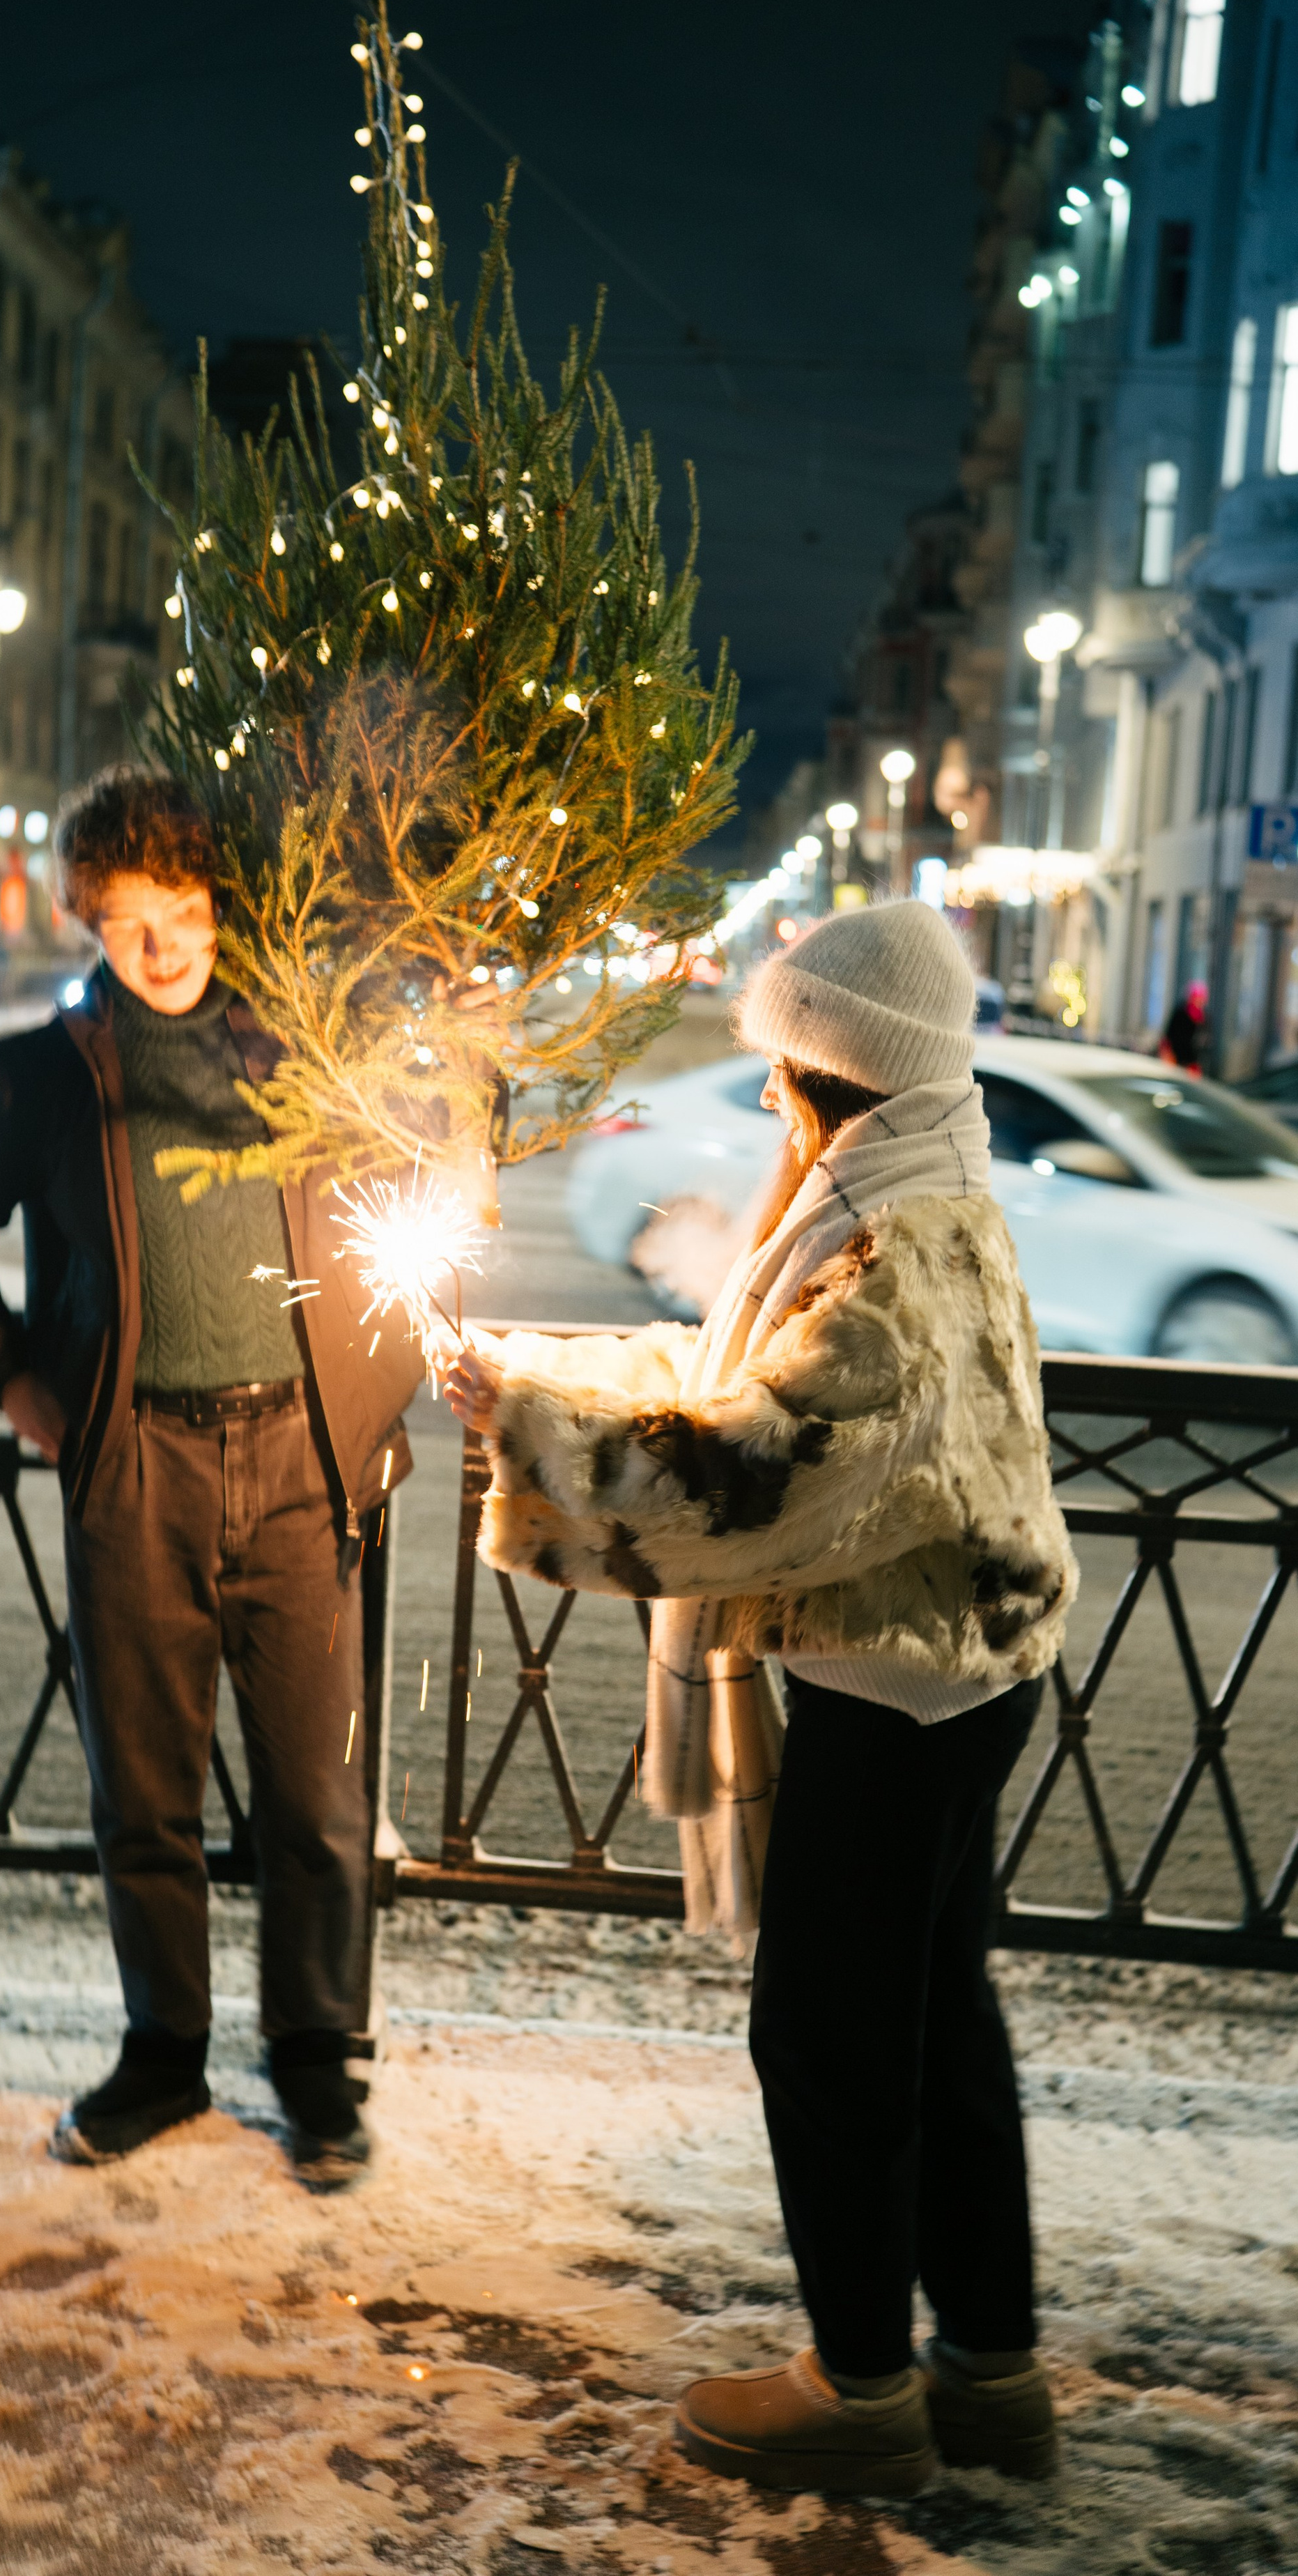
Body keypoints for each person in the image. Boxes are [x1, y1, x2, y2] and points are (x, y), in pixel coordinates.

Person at [439, 900, 1076, 2498]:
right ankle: (986, 2375)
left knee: (829, 2034)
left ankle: (861, 2387)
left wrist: (525, 1423)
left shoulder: (887, 1236)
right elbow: (741, 1379)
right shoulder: (907, 1187)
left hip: (899, 1683)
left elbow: (761, 1466)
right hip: (947, 1668)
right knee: (933, 2025)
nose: (772, 1088)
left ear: (832, 1063)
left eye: (787, 1055)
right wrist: (536, 1375)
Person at [0, 768, 423, 2184]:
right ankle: (162, 2056)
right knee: (147, 1792)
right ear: (87, 922)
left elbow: (423, 1173)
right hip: (138, 1468)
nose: (159, 945)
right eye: (125, 919)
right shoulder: (54, 1079)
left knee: (316, 1798)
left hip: (305, 1466)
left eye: (179, 909)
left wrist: (370, 1403)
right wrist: (12, 1376)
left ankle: (317, 2069)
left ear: (216, 902)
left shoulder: (306, 1050)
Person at [1161, 978, 1207, 1074]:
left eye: (1201, 998)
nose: (1199, 1001)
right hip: (1175, 1059)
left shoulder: (1203, 1019)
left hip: (1191, 1063)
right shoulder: (1180, 1014)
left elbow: (1201, 1043)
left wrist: (1195, 1064)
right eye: (1196, 997)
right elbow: (1169, 1035)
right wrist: (1168, 1055)